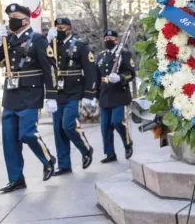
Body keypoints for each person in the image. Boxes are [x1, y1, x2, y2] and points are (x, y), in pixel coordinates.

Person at [0, 3, 58, 193]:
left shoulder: (38, 40)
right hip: (10, 95)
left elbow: (50, 68)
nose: (11, 19)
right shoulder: (7, 39)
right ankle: (16, 178)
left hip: (30, 93)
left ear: (26, 19)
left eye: (15, 16)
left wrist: (51, 95)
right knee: (9, 139)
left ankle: (48, 159)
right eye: (9, 16)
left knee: (27, 133)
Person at [46, 17, 95, 176]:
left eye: (63, 27)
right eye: (57, 27)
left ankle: (85, 149)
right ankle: (64, 164)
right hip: (57, 93)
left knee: (68, 125)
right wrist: (47, 41)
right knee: (58, 129)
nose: (60, 30)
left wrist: (89, 94)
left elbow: (90, 70)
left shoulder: (80, 45)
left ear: (70, 28)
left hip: (74, 91)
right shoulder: (52, 45)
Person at [96, 30, 135, 163]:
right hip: (104, 95)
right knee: (105, 126)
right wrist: (94, 94)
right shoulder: (101, 56)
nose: (108, 40)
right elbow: (96, 77)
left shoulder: (124, 54)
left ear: (117, 40)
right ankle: (110, 153)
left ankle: (128, 143)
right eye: (106, 38)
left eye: (110, 38)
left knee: (118, 121)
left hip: (120, 95)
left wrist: (120, 77)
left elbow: (131, 74)